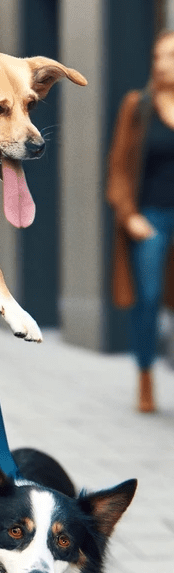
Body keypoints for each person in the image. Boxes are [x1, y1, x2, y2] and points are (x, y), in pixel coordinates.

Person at [107, 30, 174, 414]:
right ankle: (146, 373)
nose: (162, 62)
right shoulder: (138, 106)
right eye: (158, 55)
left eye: (170, 55)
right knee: (147, 299)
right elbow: (118, 165)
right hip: (151, 217)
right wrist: (129, 215)